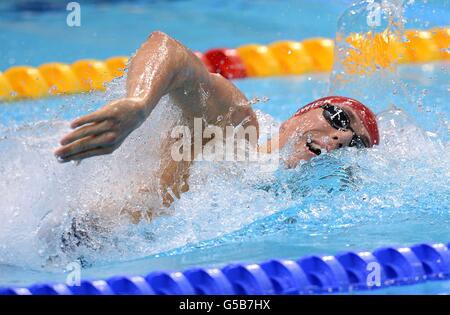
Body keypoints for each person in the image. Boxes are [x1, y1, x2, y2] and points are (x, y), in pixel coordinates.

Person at [54, 32, 379, 221]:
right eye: (338, 118)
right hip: (69, 219)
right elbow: (168, 49)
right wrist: (138, 104)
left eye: (355, 144)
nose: (341, 138)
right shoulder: (238, 127)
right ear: (300, 113)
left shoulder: (277, 203)